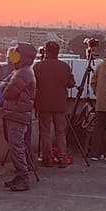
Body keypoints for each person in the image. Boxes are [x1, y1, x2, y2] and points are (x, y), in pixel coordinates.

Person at [0, 42, 37, 191]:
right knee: (16, 145)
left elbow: (7, 92)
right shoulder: (22, 71)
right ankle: (20, 175)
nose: (12, 57)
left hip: (17, 114)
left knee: (16, 146)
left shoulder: (23, 73)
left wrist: (4, 83)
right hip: (17, 112)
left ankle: (23, 177)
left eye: (16, 54)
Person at [33, 40, 75, 168]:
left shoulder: (38, 67)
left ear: (45, 51)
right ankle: (62, 158)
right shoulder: (65, 66)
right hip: (60, 104)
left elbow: (34, 84)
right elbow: (71, 83)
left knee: (45, 132)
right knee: (60, 132)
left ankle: (48, 158)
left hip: (43, 103)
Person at [90, 46, 106, 161]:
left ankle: (95, 154)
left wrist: (98, 94)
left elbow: (93, 82)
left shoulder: (101, 66)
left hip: (100, 104)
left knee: (98, 130)